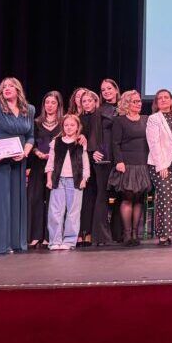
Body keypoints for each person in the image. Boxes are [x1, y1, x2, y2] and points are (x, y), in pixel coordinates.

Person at [0, 77, 35, 256]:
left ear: (18, 90)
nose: (7, 89)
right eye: (4, 86)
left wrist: (25, 152)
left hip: (18, 160)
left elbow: (31, 137)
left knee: (16, 202)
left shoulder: (29, 110)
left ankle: (14, 242)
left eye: (11, 86)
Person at [109, 90, 150, 246]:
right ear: (127, 103)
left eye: (139, 101)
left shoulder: (146, 119)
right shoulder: (120, 121)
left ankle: (135, 232)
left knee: (139, 199)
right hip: (126, 163)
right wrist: (119, 161)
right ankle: (126, 234)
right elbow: (115, 143)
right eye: (135, 101)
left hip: (142, 163)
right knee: (127, 198)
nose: (139, 104)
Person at [44, 113, 90, 250]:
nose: (69, 127)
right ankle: (55, 241)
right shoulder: (56, 141)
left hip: (75, 180)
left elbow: (85, 163)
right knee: (55, 212)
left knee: (73, 212)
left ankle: (69, 241)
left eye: (72, 125)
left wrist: (84, 178)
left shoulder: (80, 142)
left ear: (77, 127)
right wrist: (49, 179)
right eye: (66, 125)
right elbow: (51, 162)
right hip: (58, 180)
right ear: (63, 126)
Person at [147, 89, 172, 245]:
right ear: (156, 102)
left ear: (171, 101)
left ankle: (166, 232)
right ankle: (163, 234)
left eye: (166, 97)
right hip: (161, 163)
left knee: (171, 199)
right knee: (164, 197)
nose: (163, 100)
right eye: (159, 98)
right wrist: (161, 165)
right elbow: (153, 143)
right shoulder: (154, 118)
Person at [28, 91, 63, 249]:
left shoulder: (64, 122)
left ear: (58, 105)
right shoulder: (36, 122)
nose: (49, 105)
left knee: (52, 201)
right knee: (35, 199)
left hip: (56, 166)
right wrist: (37, 152)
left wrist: (54, 154)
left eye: (53, 103)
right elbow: (30, 141)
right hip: (38, 164)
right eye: (47, 102)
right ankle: (35, 236)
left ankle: (49, 236)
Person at [74, 88, 103, 247]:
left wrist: (96, 152)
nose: (86, 103)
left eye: (89, 100)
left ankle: (90, 232)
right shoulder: (78, 119)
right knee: (82, 197)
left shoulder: (100, 116)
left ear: (95, 101)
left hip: (96, 161)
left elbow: (103, 139)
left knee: (93, 197)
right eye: (84, 101)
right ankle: (80, 232)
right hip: (81, 161)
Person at [95, 78, 121, 245]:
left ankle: (118, 234)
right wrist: (94, 151)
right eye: (103, 90)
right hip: (104, 157)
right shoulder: (99, 110)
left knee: (120, 196)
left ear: (116, 89)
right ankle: (102, 236)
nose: (106, 92)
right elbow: (94, 134)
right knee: (103, 197)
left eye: (109, 88)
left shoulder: (124, 108)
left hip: (121, 157)